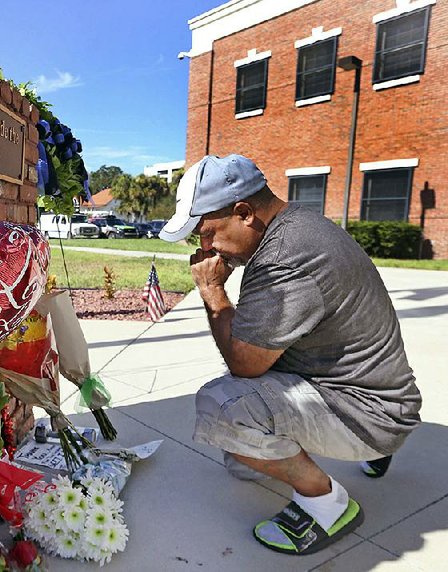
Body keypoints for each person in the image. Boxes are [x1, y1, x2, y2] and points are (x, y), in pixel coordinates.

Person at [159, 154, 421, 555]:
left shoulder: (283, 258)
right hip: (378, 395)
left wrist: (212, 291)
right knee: (239, 455)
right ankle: (374, 449)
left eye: (207, 232)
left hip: (373, 414)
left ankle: (326, 503)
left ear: (244, 212)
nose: (205, 247)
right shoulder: (298, 226)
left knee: (222, 408)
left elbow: (244, 363)